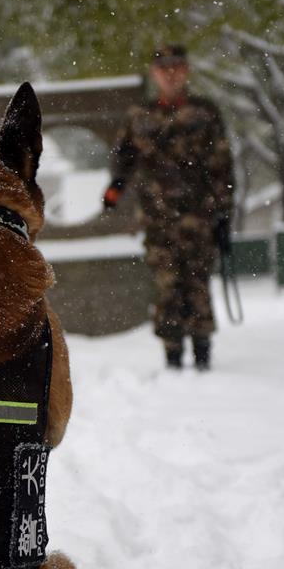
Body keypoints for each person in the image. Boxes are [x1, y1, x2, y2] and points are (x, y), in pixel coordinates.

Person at [103, 44, 234, 370]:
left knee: (198, 283)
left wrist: (223, 213)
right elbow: (125, 158)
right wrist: (114, 189)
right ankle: (172, 353)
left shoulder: (205, 112)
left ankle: (202, 350)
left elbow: (222, 166)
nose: (171, 73)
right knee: (166, 285)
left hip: (199, 217)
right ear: (154, 74)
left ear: (186, 70)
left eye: (176, 66)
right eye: (164, 68)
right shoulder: (140, 117)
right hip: (157, 218)